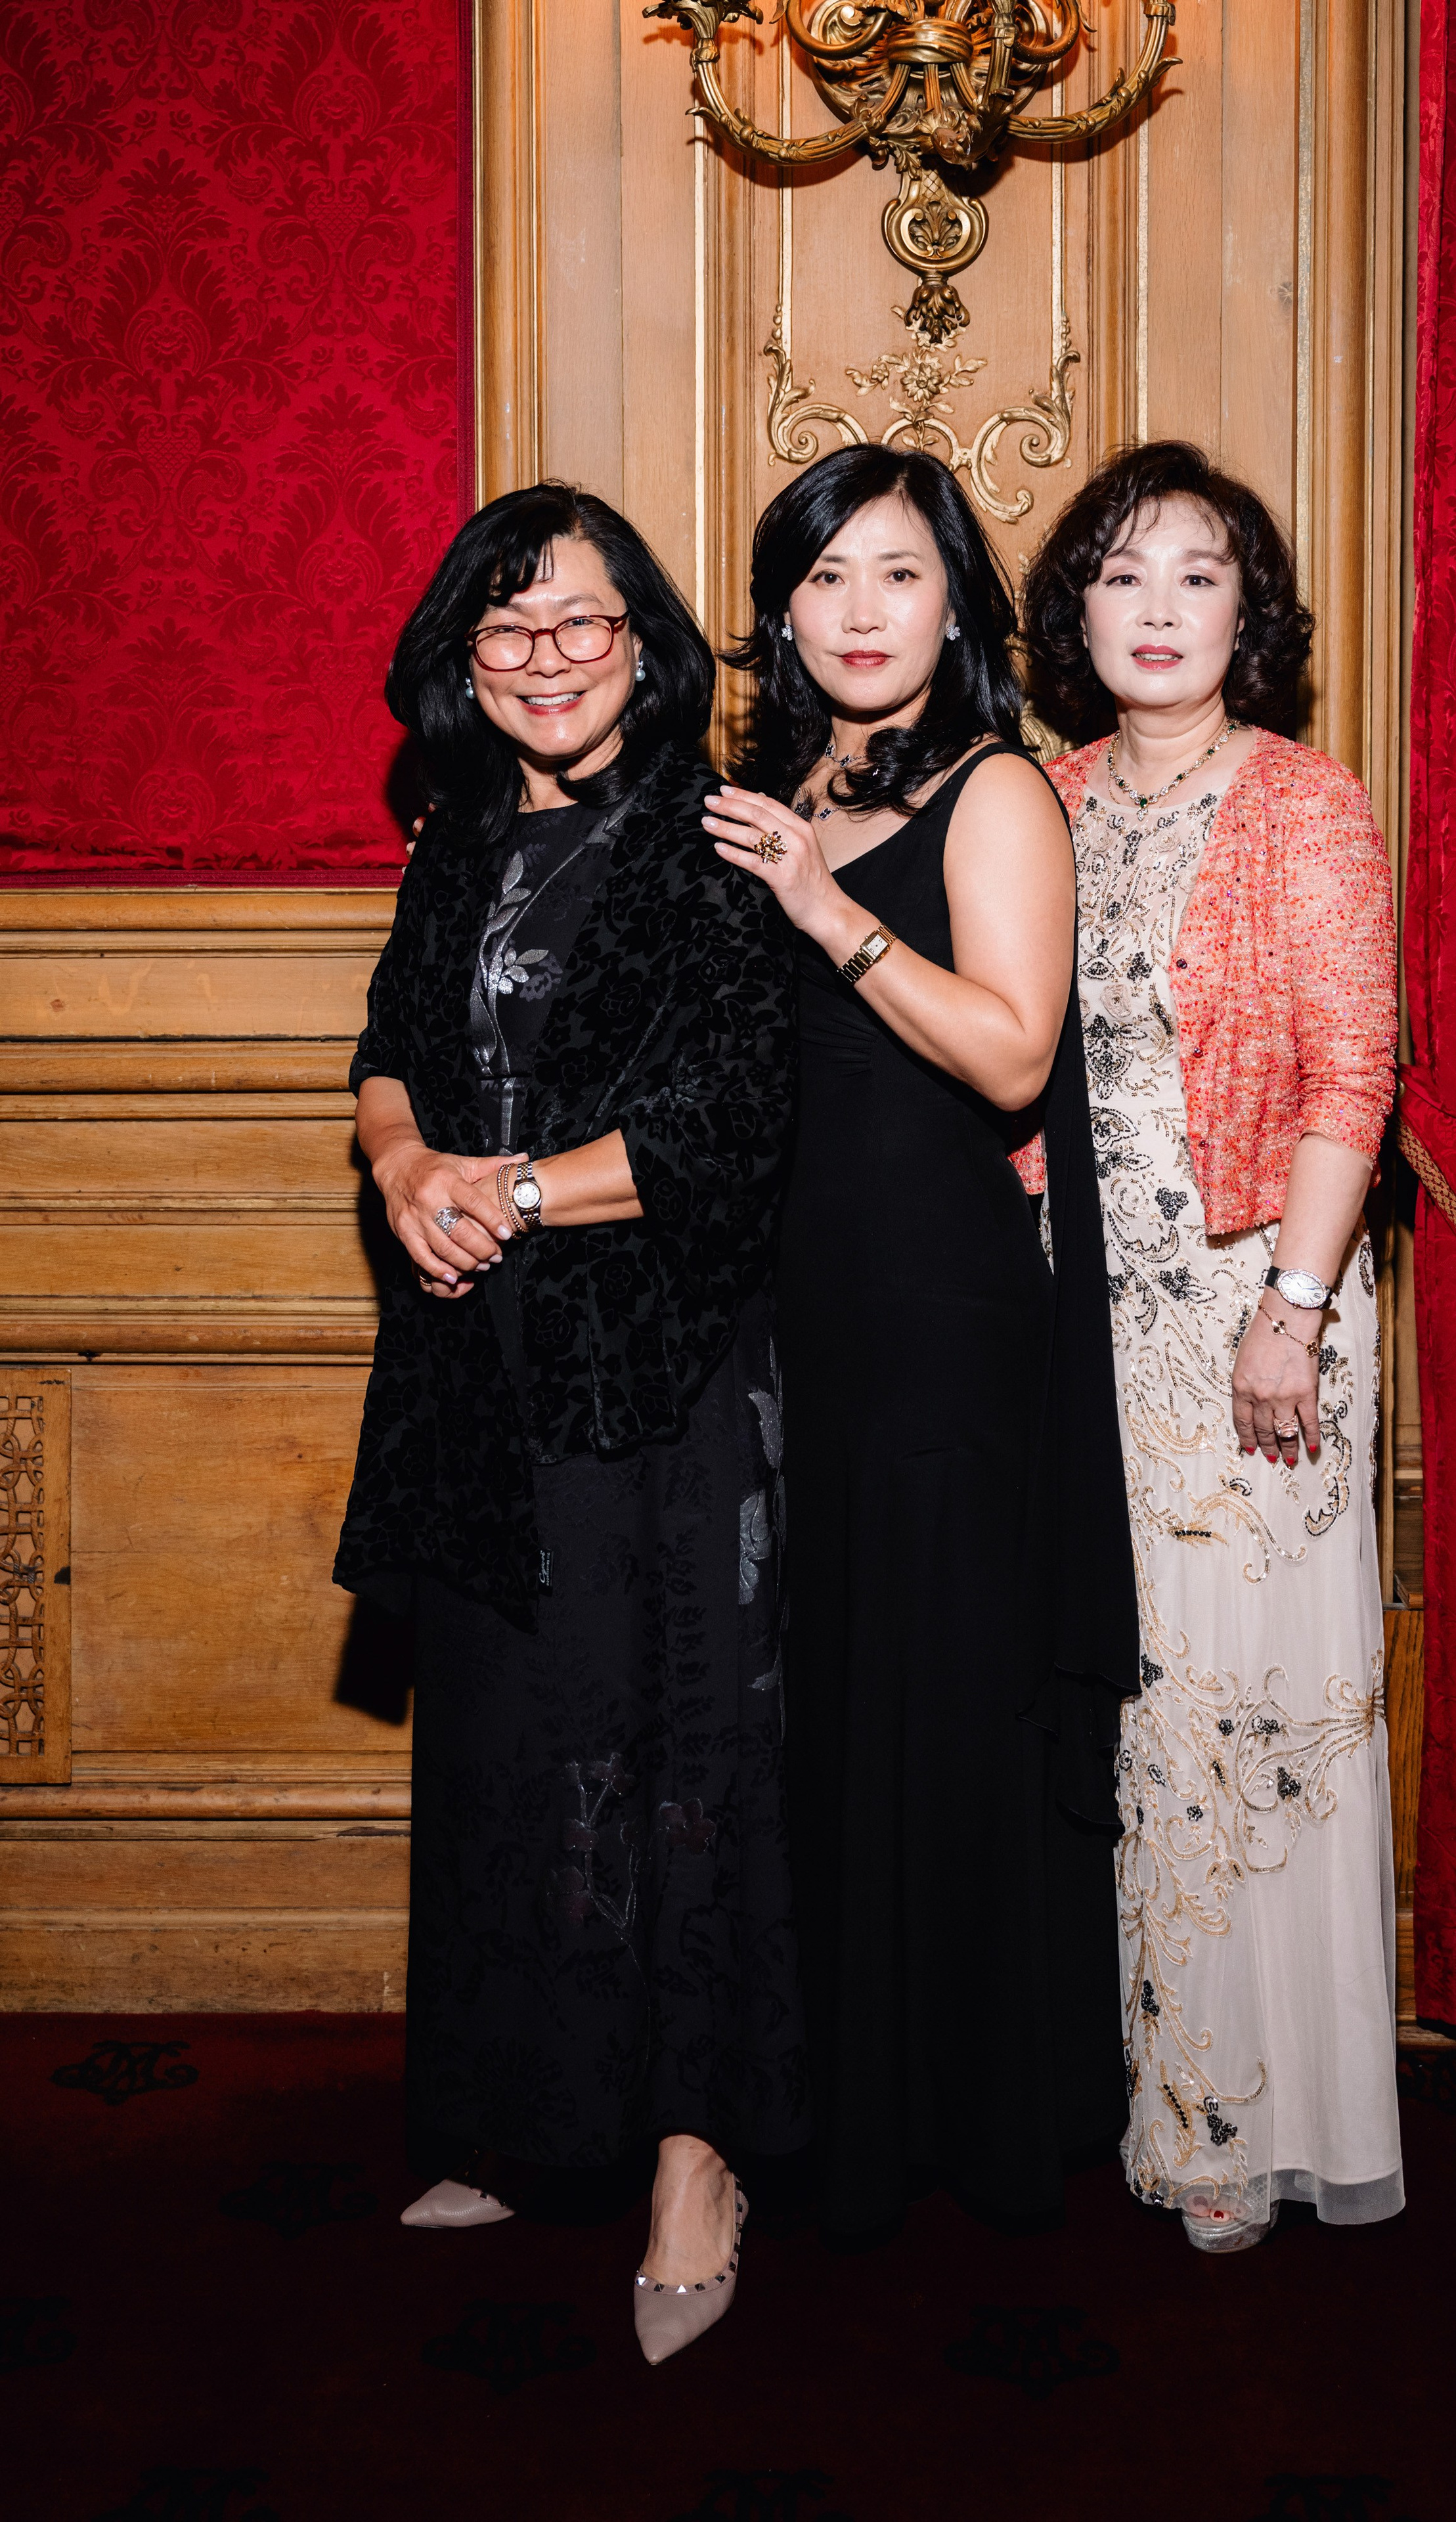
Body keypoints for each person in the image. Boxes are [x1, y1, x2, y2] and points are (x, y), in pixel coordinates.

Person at [334, 482, 807, 2361]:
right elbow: (386, 1049)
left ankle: (700, 2156)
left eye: (579, 621)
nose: (541, 658)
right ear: (467, 661)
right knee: (513, 1748)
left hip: (660, 1365)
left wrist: (506, 1191)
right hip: (475, 1371)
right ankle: (527, 2117)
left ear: (648, 643)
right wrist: (400, 1171)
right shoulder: (457, 839)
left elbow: (725, 1132)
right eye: (503, 629)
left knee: (673, 1755)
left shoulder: (708, 845)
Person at [703, 445, 1136, 2240]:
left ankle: (975, 2113)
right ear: (784, 613)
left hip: (946, 1322)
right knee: (822, 1705)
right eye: (822, 580)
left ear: (956, 598)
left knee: (940, 1707)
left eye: (895, 574)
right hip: (789, 1311)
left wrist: (820, 907)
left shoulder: (998, 793)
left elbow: (1016, 1052)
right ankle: (832, 2112)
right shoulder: (774, 783)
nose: (859, 613)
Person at [1021, 439, 1405, 2251]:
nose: (1158, 608)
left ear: (1250, 612)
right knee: (1128, 1720)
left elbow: (1354, 1076)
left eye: (1197, 574)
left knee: (1248, 1726)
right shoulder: (1041, 794)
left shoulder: (1304, 799)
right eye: (1120, 571)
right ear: (1070, 610)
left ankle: (1255, 2129)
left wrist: (1294, 1314)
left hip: (1257, 1308)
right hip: (1078, 1318)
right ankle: (1160, 2097)